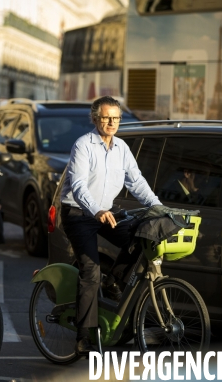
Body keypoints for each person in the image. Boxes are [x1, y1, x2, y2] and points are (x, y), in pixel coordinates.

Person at [60, 96, 162, 356]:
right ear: (95, 119)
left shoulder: (122, 148)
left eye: (116, 118)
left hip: (105, 212)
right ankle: (83, 337)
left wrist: (159, 207)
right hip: (79, 213)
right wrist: (96, 210)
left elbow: (136, 181)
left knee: (140, 237)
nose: (111, 122)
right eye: (106, 117)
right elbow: (80, 186)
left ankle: (113, 280)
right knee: (91, 272)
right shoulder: (83, 145)